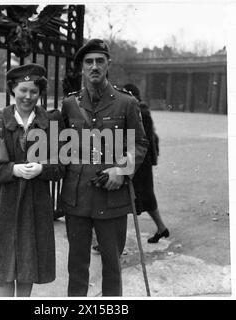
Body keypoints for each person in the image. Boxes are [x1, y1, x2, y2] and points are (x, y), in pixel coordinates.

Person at [60, 39, 149, 296]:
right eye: (89, 62)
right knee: (77, 266)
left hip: (112, 197)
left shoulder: (126, 103)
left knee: (112, 264)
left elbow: (140, 143)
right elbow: (61, 145)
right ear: (81, 68)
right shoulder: (69, 104)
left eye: (100, 61)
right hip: (77, 198)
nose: (94, 66)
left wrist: (122, 170)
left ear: (108, 64)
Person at [0, 63, 64, 297]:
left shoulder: (51, 121)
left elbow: (64, 164)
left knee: (28, 265)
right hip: (4, 204)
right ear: (12, 90)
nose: (28, 96)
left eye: (34, 91)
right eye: (23, 90)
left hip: (36, 205)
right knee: (2, 264)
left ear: (40, 93)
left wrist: (42, 169)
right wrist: (12, 170)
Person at [123, 83, 169, 243]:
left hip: (139, 162)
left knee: (131, 197)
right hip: (141, 161)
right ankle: (162, 228)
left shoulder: (140, 111)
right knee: (144, 196)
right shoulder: (139, 110)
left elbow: (143, 139)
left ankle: (111, 240)